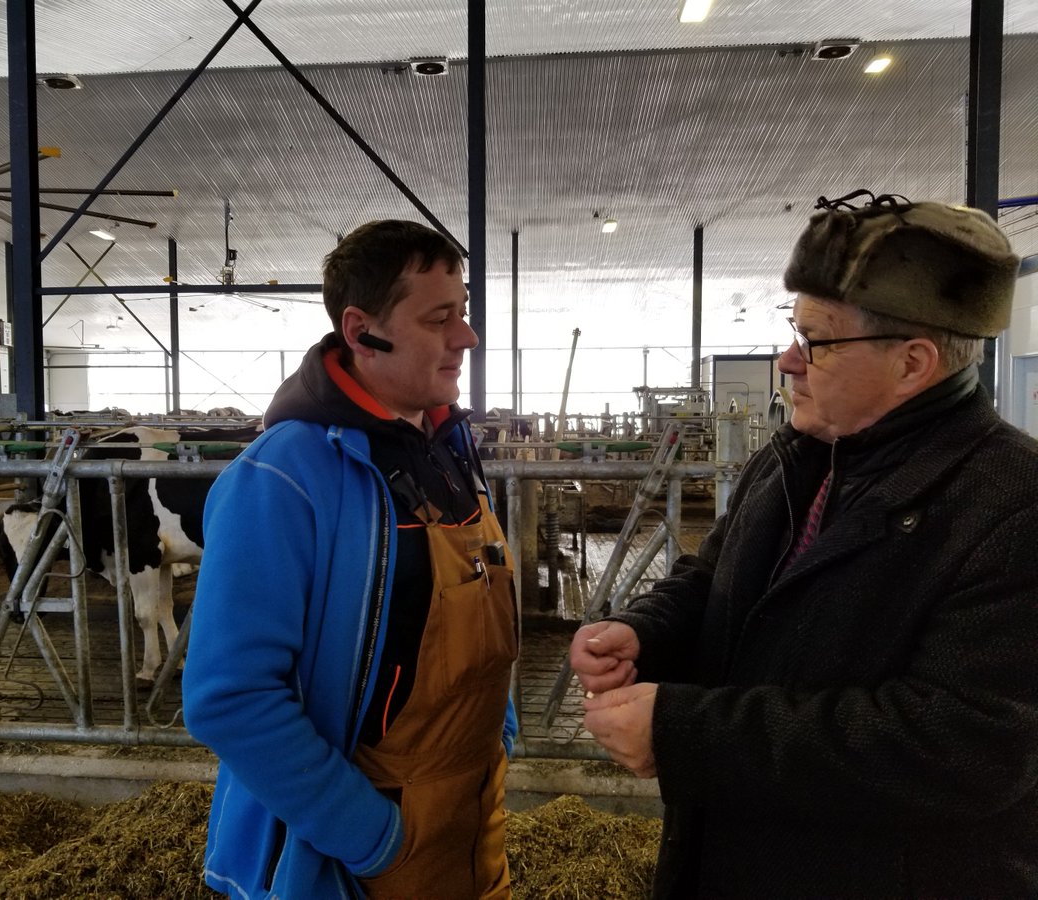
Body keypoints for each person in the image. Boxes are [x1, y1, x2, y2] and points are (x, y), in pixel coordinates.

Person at [571, 192, 1038, 897]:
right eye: (794, 330)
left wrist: (686, 733)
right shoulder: (795, 457)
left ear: (912, 364)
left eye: (816, 341)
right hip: (732, 858)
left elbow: (961, 745)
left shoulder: (1011, 504)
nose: (788, 360)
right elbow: (712, 577)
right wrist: (646, 632)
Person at [183, 219, 519, 899]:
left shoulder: (449, 449)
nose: (467, 338)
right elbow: (230, 696)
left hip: (474, 813)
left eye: (464, 313)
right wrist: (372, 835)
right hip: (357, 850)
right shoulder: (283, 478)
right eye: (440, 319)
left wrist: (498, 737)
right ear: (363, 331)